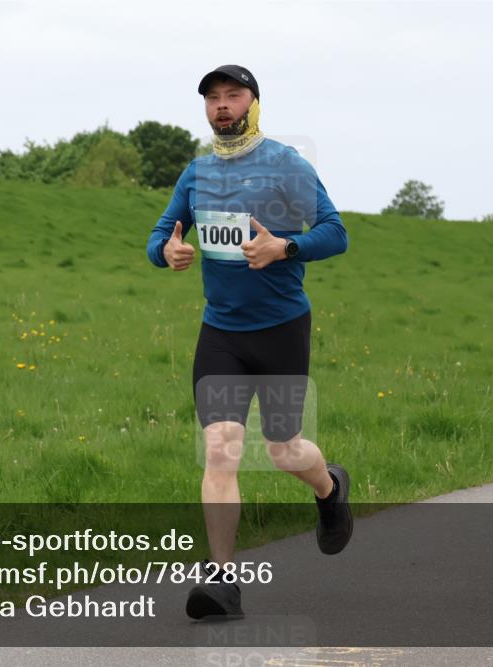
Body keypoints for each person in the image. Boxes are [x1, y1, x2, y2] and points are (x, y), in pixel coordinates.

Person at [145, 65, 351, 620]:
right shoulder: (197, 173)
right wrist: (168, 252)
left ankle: (329, 488)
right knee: (220, 450)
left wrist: (285, 249)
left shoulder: (286, 164)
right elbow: (159, 236)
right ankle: (222, 583)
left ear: (254, 103)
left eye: (232, 95)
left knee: (284, 451)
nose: (221, 105)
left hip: (282, 330)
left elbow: (336, 233)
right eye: (212, 98)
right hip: (221, 335)